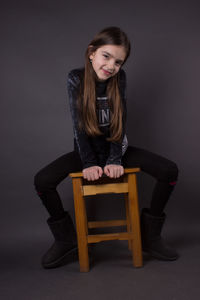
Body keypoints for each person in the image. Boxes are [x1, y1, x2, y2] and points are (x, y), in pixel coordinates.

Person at [34, 26, 179, 269]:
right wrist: (89, 163)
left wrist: (115, 159)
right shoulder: (75, 78)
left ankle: (150, 236)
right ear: (92, 52)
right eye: (106, 56)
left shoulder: (119, 79)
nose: (111, 66)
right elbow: (79, 127)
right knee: (42, 181)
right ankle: (65, 239)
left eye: (118, 62)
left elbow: (119, 124)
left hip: (115, 151)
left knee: (169, 171)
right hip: (86, 153)